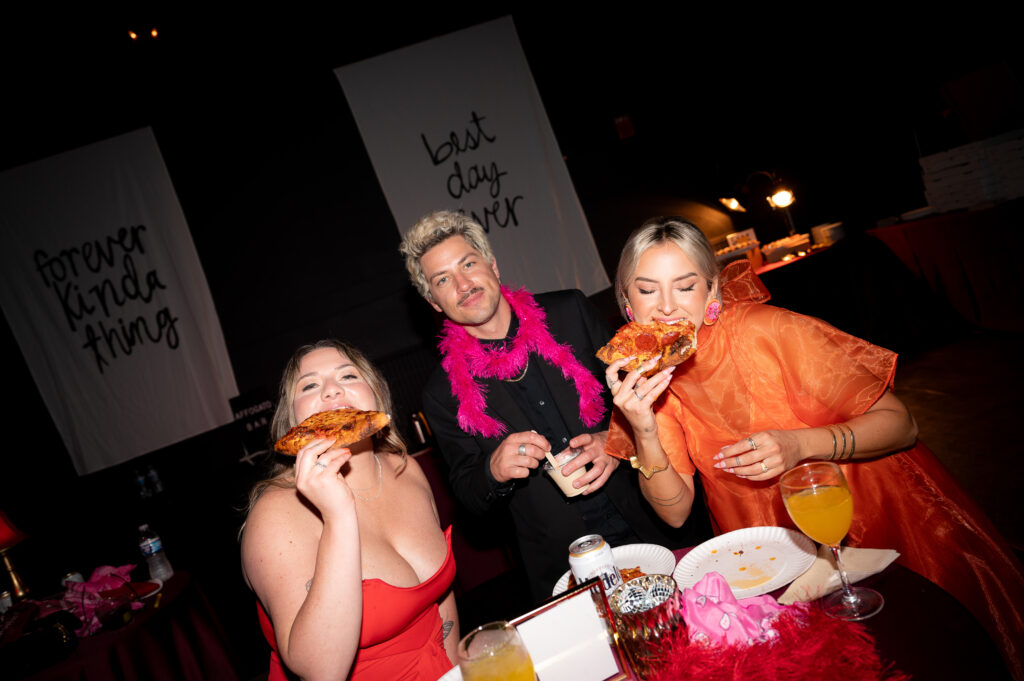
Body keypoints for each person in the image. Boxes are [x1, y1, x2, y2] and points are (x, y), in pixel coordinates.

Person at [605, 217, 1024, 679]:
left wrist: (799, 444)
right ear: (627, 302)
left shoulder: (771, 330)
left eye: (685, 287)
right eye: (647, 290)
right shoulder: (644, 377)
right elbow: (675, 513)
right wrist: (643, 429)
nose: (666, 307)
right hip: (764, 557)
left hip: (868, 519)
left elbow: (902, 424)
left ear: (712, 292)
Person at [399, 210, 699, 601]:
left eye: (468, 264)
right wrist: (492, 471)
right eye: (443, 280)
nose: (463, 284)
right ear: (433, 302)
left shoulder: (569, 311)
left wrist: (616, 440)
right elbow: (469, 497)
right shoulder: (441, 393)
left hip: (649, 519)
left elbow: (648, 389)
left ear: (492, 265)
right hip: (563, 567)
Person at [241, 340, 458, 681]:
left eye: (348, 376)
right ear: (292, 421)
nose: (331, 390)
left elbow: (441, 599)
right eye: (309, 385)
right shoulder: (274, 516)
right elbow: (321, 672)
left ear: (376, 395)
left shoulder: (406, 470)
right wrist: (338, 516)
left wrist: (456, 671)